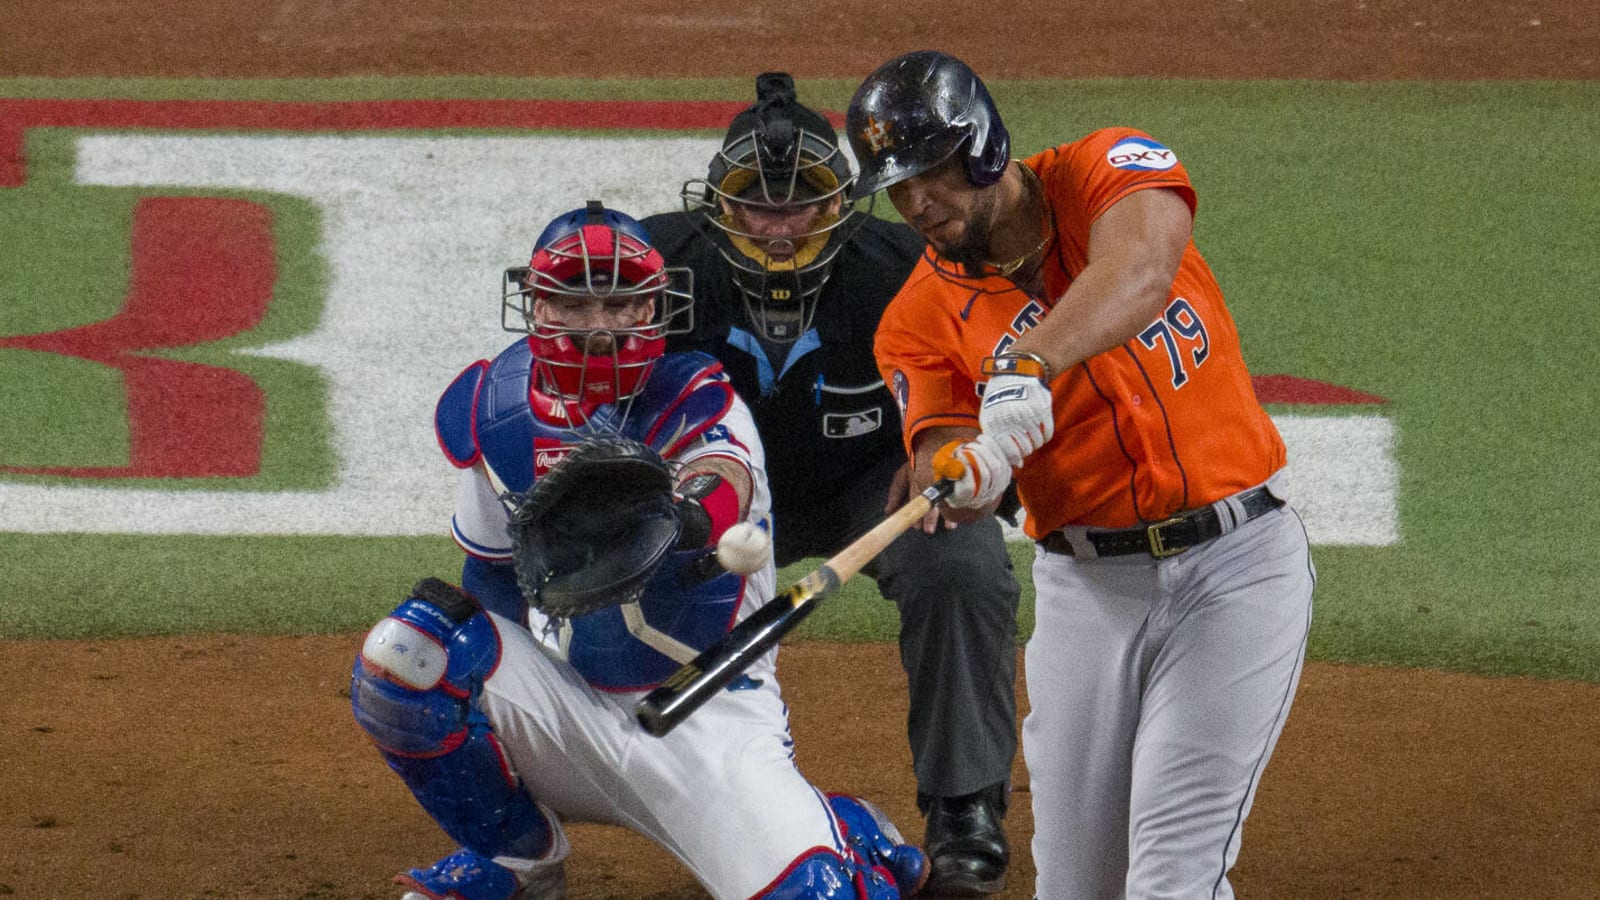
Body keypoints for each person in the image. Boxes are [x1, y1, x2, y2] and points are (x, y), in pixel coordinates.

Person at [348, 201, 929, 900]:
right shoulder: (495, 406)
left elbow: (725, 478)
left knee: (821, 895)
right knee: (407, 655)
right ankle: (515, 864)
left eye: (622, 304)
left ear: (657, 308)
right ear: (535, 305)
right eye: (575, 302)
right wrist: (526, 660)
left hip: (706, 713)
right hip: (568, 702)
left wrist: (679, 517)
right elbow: (490, 574)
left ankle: (845, 829)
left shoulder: (699, 397)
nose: (599, 326)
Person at [851, 51, 1317, 899]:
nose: (916, 203)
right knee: (1074, 887)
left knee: (1173, 879)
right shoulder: (916, 318)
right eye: (897, 186)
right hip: (1088, 595)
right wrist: (962, 473)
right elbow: (942, 453)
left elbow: (1138, 272)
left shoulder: (1109, 166)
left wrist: (1026, 365)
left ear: (983, 144)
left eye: (931, 173)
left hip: (1236, 567)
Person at [642, 73, 1022, 895]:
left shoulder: (908, 270)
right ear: (721, 204)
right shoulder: (656, 271)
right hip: (711, 496)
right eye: (758, 205)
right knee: (608, 552)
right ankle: (577, 784)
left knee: (960, 562)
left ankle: (965, 809)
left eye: (801, 204)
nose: (780, 228)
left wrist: (944, 459)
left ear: (842, 203)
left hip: (872, 490)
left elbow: (989, 387)